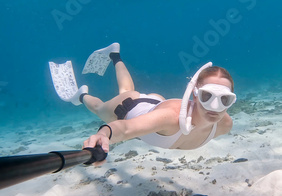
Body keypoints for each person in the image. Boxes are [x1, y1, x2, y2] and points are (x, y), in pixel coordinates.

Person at [49, 43, 236, 158]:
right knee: (99, 108)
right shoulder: (170, 118)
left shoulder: (225, 124)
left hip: (154, 104)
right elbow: (125, 128)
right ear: (194, 94)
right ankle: (80, 95)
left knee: (128, 89)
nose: (214, 107)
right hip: (128, 107)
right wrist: (104, 134)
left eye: (225, 99)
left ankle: (115, 56)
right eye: (207, 96)